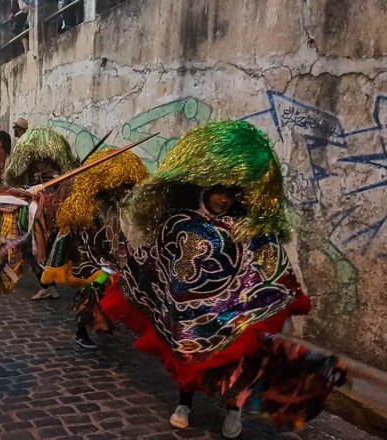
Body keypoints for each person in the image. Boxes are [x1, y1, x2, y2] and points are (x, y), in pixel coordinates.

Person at [104, 120, 345, 438]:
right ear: (204, 186)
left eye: (232, 193)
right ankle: (184, 404)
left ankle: (234, 411)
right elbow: (155, 258)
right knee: (184, 354)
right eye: (220, 190)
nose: (224, 199)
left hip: (229, 311)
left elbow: (268, 268)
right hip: (185, 309)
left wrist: (267, 299)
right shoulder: (177, 222)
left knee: (238, 360)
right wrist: (134, 281)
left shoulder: (247, 229)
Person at [41, 148, 148, 349]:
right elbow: (68, 235)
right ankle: (82, 332)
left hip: (112, 257)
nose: (122, 189)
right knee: (91, 294)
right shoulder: (84, 205)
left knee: (109, 293)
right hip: (88, 257)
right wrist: (64, 261)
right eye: (118, 185)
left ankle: (103, 322)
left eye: (125, 184)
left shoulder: (119, 204)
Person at [4, 127, 78, 300]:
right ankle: (46, 284)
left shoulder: (55, 174)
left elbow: (60, 191)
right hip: (34, 215)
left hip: (48, 215)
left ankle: (49, 284)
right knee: (31, 249)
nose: (38, 162)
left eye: (41, 159)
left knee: (42, 249)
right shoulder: (32, 173)